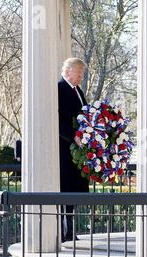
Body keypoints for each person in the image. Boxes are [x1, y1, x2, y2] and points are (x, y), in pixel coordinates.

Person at [58, 58, 89, 242]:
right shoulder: (59, 88)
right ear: (68, 71)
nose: (81, 76)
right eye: (79, 72)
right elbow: (57, 118)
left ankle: (69, 230)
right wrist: (73, 136)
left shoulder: (78, 91)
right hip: (65, 149)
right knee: (66, 190)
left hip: (77, 151)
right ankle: (64, 232)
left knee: (75, 191)